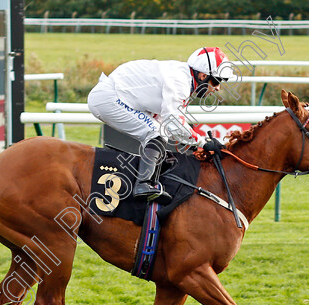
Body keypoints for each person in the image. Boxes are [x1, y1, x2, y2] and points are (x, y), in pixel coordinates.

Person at [87, 47, 235, 203]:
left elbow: (169, 124)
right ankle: (143, 185)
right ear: (203, 75)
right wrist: (203, 142)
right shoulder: (180, 81)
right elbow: (174, 124)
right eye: (216, 81)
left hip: (119, 96)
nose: (218, 88)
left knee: (159, 132)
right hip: (109, 98)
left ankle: (150, 180)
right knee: (156, 133)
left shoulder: (184, 78)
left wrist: (193, 142)